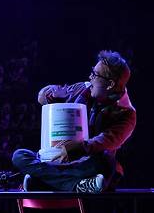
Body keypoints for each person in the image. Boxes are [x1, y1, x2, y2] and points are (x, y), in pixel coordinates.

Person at [13, 50, 136, 193]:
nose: (90, 77)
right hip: (57, 158)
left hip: (86, 164)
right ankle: (78, 186)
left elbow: (104, 141)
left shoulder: (126, 114)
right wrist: (49, 94)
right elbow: (42, 96)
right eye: (92, 72)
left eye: (95, 75)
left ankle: (40, 182)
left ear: (110, 84)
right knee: (19, 156)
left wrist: (72, 150)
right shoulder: (83, 89)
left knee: (106, 163)